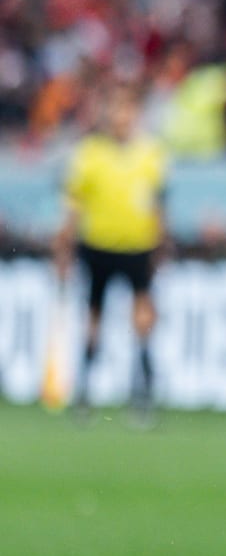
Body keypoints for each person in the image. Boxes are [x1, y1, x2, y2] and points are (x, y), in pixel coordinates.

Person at [55, 84, 169, 424]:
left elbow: (159, 206)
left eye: (127, 109)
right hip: (98, 245)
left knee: (143, 317)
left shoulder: (151, 154)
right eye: (115, 109)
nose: (121, 117)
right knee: (93, 318)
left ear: (135, 115)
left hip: (138, 246)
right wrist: (62, 248)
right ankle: (85, 392)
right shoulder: (90, 153)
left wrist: (162, 244)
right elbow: (74, 208)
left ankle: (143, 393)